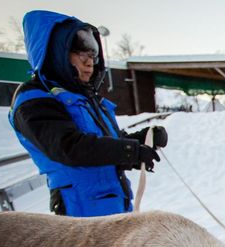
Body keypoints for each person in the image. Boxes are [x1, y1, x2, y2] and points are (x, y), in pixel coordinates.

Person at [9, 10, 167, 217]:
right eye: (81, 53)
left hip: (114, 206)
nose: (89, 62)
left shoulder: (84, 98)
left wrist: (140, 141)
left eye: (92, 55)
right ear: (56, 52)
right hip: (81, 214)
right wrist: (131, 151)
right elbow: (70, 147)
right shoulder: (35, 99)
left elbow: (104, 144)